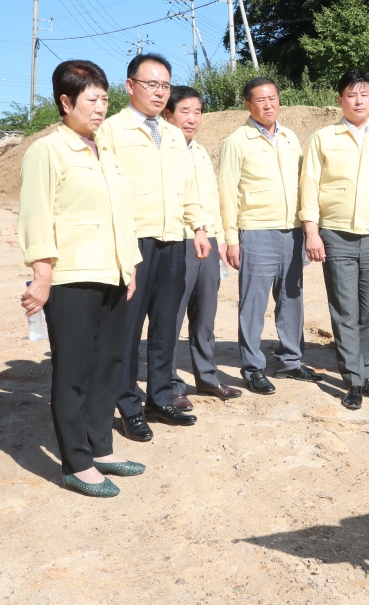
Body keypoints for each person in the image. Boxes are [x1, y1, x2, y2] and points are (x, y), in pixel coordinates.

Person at [18, 60, 145, 497]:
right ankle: (76, 461)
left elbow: (121, 215)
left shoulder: (102, 150)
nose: (100, 108)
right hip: (71, 276)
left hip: (111, 272)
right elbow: (37, 215)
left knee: (108, 363)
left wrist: (128, 265)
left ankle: (101, 447)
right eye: (91, 100)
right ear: (65, 101)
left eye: (104, 99)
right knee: (73, 369)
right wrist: (42, 273)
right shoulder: (47, 151)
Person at [96, 53, 209, 441]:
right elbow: (105, 190)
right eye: (151, 84)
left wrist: (198, 226)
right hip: (135, 241)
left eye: (165, 85)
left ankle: (160, 397)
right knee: (127, 328)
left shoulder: (175, 134)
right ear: (130, 86)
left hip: (173, 239)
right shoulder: (112, 131)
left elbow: (188, 187)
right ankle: (127, 406)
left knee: (164, 324)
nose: (159, 93)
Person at [299, 69, 369, 411]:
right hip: (336, 233)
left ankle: (363, 371)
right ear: (340, 99)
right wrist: (312, 231)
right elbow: (309, 186)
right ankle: (352, 381)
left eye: (365, 95)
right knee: (344, 308)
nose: (359, 101)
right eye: (352, 95)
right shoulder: (323, 138)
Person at [218, 76, 320, 395]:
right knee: (253, 302)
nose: (268, 105)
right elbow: (226, 193)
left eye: (272, 98)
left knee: (292, 299)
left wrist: (307, 226)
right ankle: (253, 367)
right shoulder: (237, 141)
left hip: (292, 232)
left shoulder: (290, 137)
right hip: (256, 231)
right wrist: (231, 239)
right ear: (248, 105)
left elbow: (305, 185)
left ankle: (290, 361)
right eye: (260, 100)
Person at [161, 85, 243, 407]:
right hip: (177, 241)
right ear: (167, 114)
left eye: (197, 111)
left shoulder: (200, 151)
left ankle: (207, 378)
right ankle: (170, 385)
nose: (193, 118)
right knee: (171, 315)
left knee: (206, 316)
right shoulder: (162, 150)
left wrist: (220, 239)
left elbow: (212, 201)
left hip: (207, 241)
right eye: (185, 111)